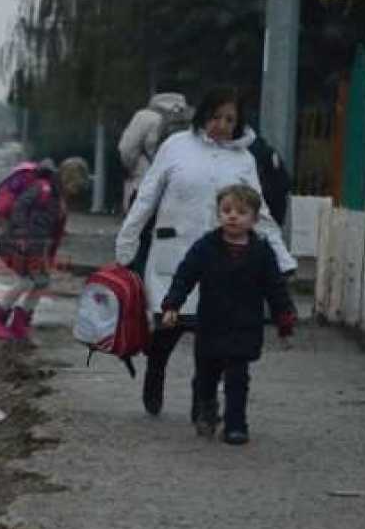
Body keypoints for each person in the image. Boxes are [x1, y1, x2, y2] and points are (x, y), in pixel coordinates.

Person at [114, 86, 297, 419]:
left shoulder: (243, 159)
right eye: (216, 117)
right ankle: (155, 373)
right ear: (203, 115)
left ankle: (204, 401)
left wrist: (282, 258)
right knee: (168, 327)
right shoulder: (175, 147)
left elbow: (260, 212)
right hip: (175, 252)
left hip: (219, 260)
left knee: (209, 337)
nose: (222, 125)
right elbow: (147, 196)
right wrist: (127, 241)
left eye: (230, 119)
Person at [160, 184, 296, 445]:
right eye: (226, 210)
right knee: (206, 374)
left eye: (241, 212)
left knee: (237, 376)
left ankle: (236, 424)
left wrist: (284, 319)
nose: (233, 216)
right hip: (211, 323)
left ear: (254, 220)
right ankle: (207, 408)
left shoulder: (262, 252)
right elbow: (184, 277)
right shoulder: (205, 247)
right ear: (218, 214)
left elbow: (275, 288)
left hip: (245, 325)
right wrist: (172, 306)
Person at [0, 158, 67, 342]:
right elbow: (19, 208)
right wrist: (21, 237)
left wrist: (48, 256)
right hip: (18, 243)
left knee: (41, 282)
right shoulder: (42, 188)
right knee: (27, 281)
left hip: (37, 247)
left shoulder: (57, 198)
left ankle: (20, 322)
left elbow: (55, 233)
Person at [118, 89, 194, 212]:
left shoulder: (145, 116)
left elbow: (127, 149)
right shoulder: (191, 117)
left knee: (141, 227)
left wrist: (133, 170)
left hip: (146, 182)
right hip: (182, 187)